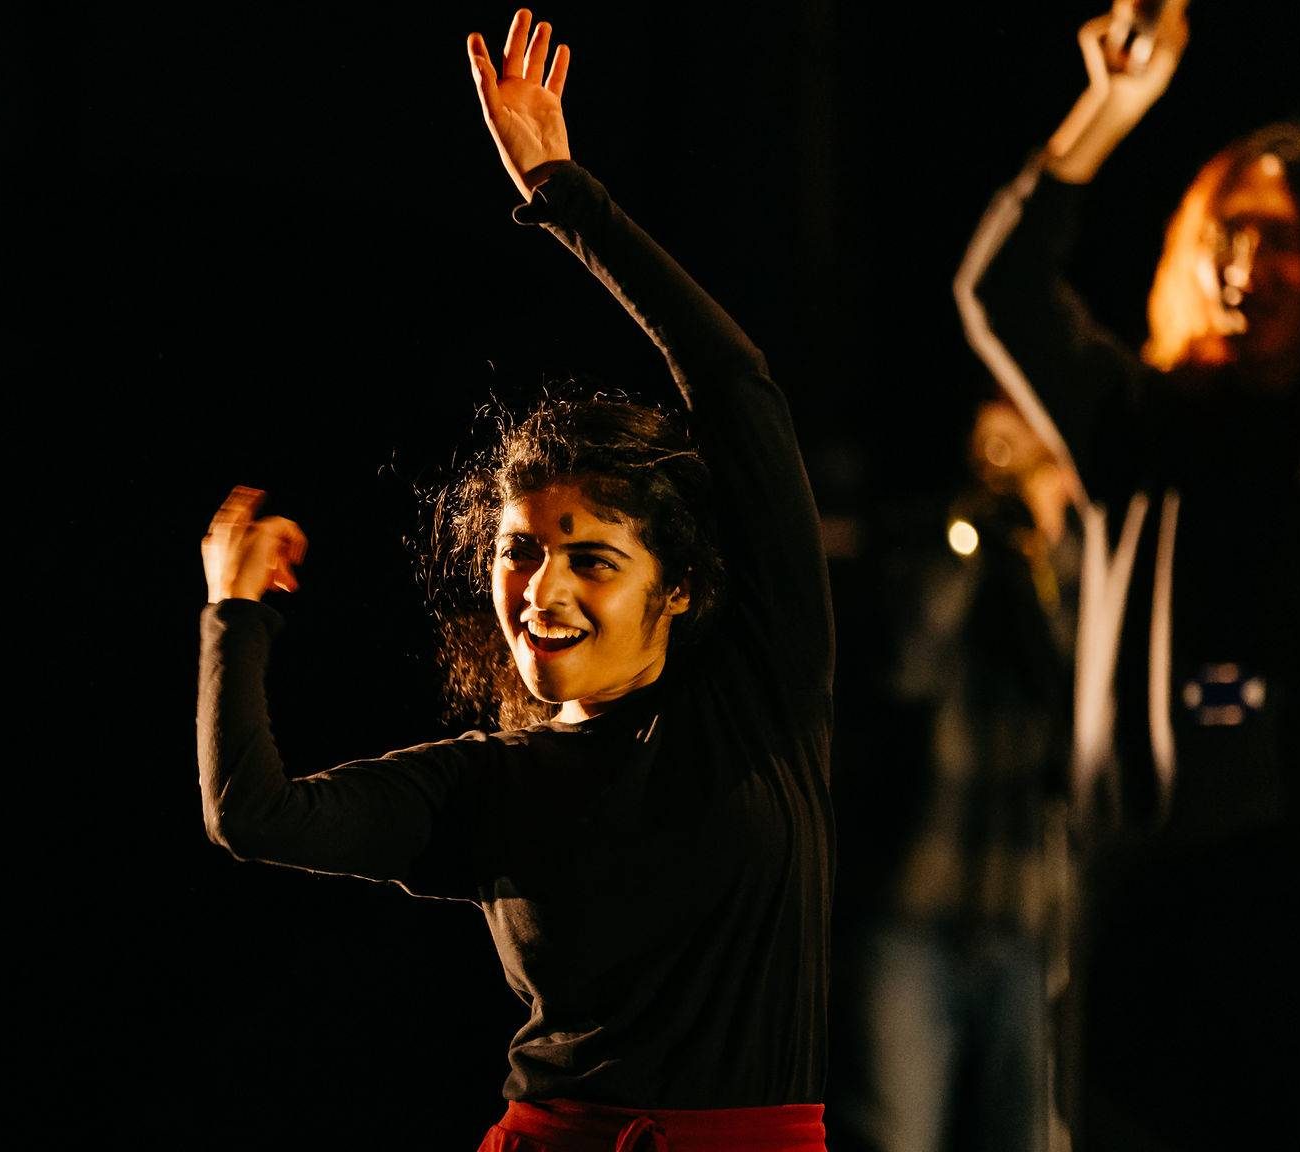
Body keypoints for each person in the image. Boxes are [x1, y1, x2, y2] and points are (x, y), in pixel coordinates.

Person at [198, 9, 835, 1150]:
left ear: (673, 585)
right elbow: (255, 815)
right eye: (519, 550)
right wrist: (233, 617)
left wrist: (563, 193)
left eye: (591, 558)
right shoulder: (486, 783)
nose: (541, 587)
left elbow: (734, 386)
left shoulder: (758, 695)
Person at [953, 1, 1300, 1148]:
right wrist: (1108, 107)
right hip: (1141, 924)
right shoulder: (1139, 425)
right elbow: (1000, 287)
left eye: (1281, 238)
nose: (1243, 265)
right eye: (1227, 231)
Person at [833, 400, 1080, 1152]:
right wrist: (973, 532)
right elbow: (908, 664)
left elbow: (1083, 691)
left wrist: (1046, 542)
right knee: (894, 1136)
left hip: (1038, 920)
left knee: (1030, 1137)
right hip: (918, 910)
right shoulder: (938, 543)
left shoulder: (1083, 563)